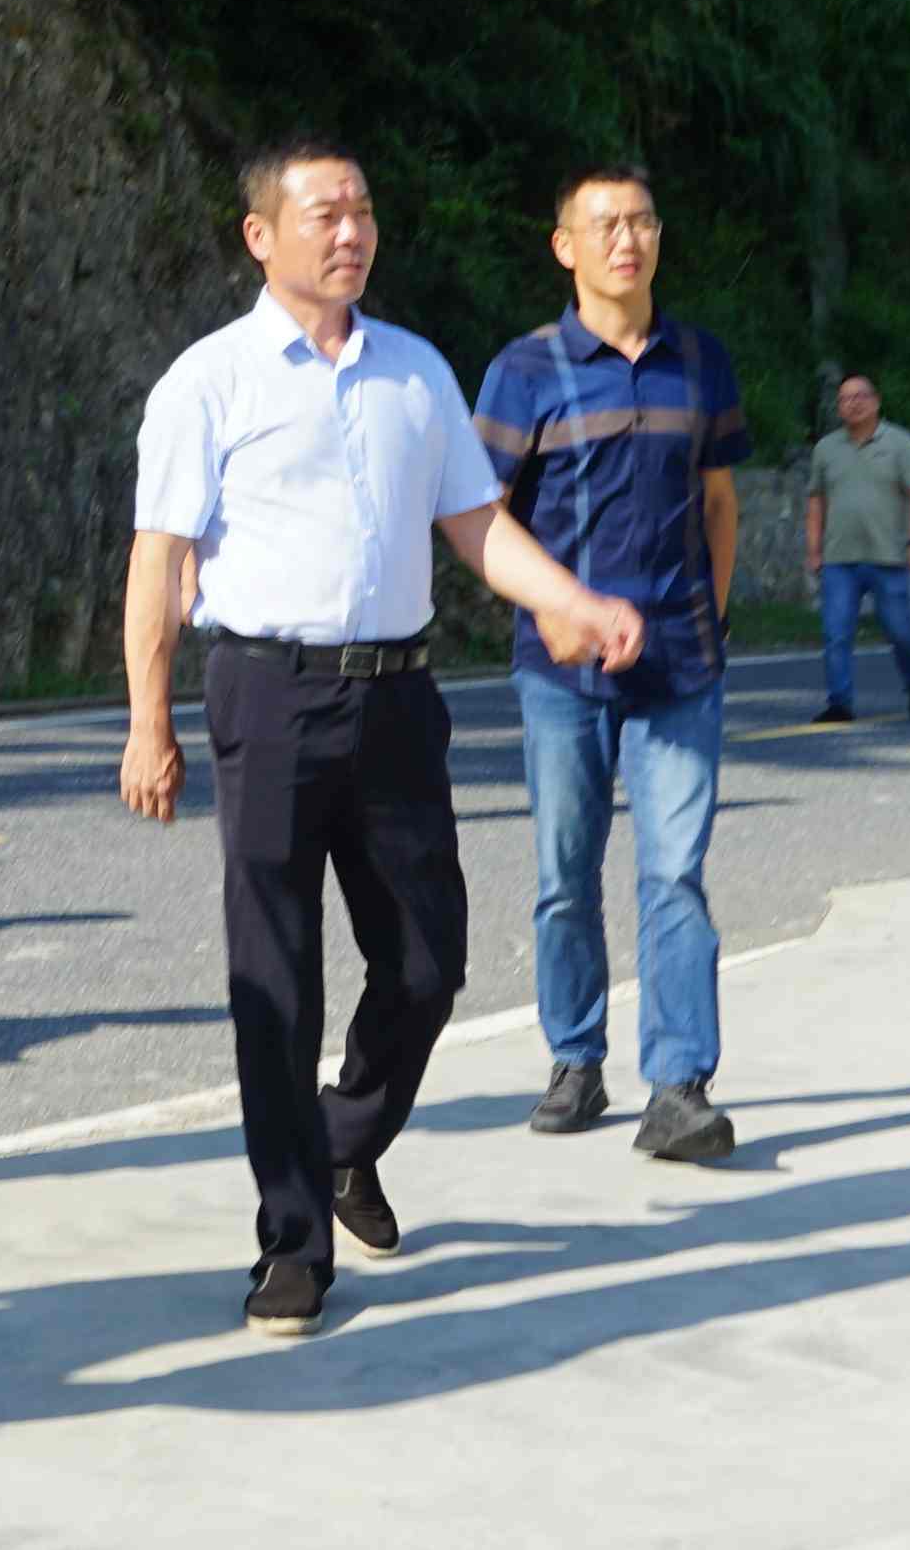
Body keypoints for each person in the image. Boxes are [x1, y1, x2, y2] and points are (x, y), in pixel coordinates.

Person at [125, 137, 651, 1338]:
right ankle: (292, 1241)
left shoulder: (415, 371)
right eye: (324, 213)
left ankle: (342, 1137)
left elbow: (476, 526)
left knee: (427, 962)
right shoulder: (209, 381)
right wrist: (148, 720)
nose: (350, 231)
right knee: (277, 975)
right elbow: (159, 560)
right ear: (261, 236)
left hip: (399, 699)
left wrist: (570, 601)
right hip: (267, 691)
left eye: (362, 209)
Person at [471, 163, 749, 1161]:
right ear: (565, 246)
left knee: (675, 875)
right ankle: (576, 1057)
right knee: (565, 876)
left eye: (641, 222)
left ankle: (679, 1087)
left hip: (682, 667)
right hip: (561, 673)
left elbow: (719, 504)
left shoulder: (700, 361)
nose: (626, 240)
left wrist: (709, 619)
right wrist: (549, 607)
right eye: (605, 225)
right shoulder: (525, 370)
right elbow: (480, 518)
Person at [805, 374, 910, 724]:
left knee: (900, 632)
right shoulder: (826, 449)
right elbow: (816, 501)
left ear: (876, 401)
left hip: (888, 556)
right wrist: (814, 550)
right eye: (845, 399)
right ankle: (840, 702)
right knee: (836, 634)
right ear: (838, 407)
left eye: (860, 396)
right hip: (839, 559)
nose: (853, 404)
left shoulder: (899, 443)